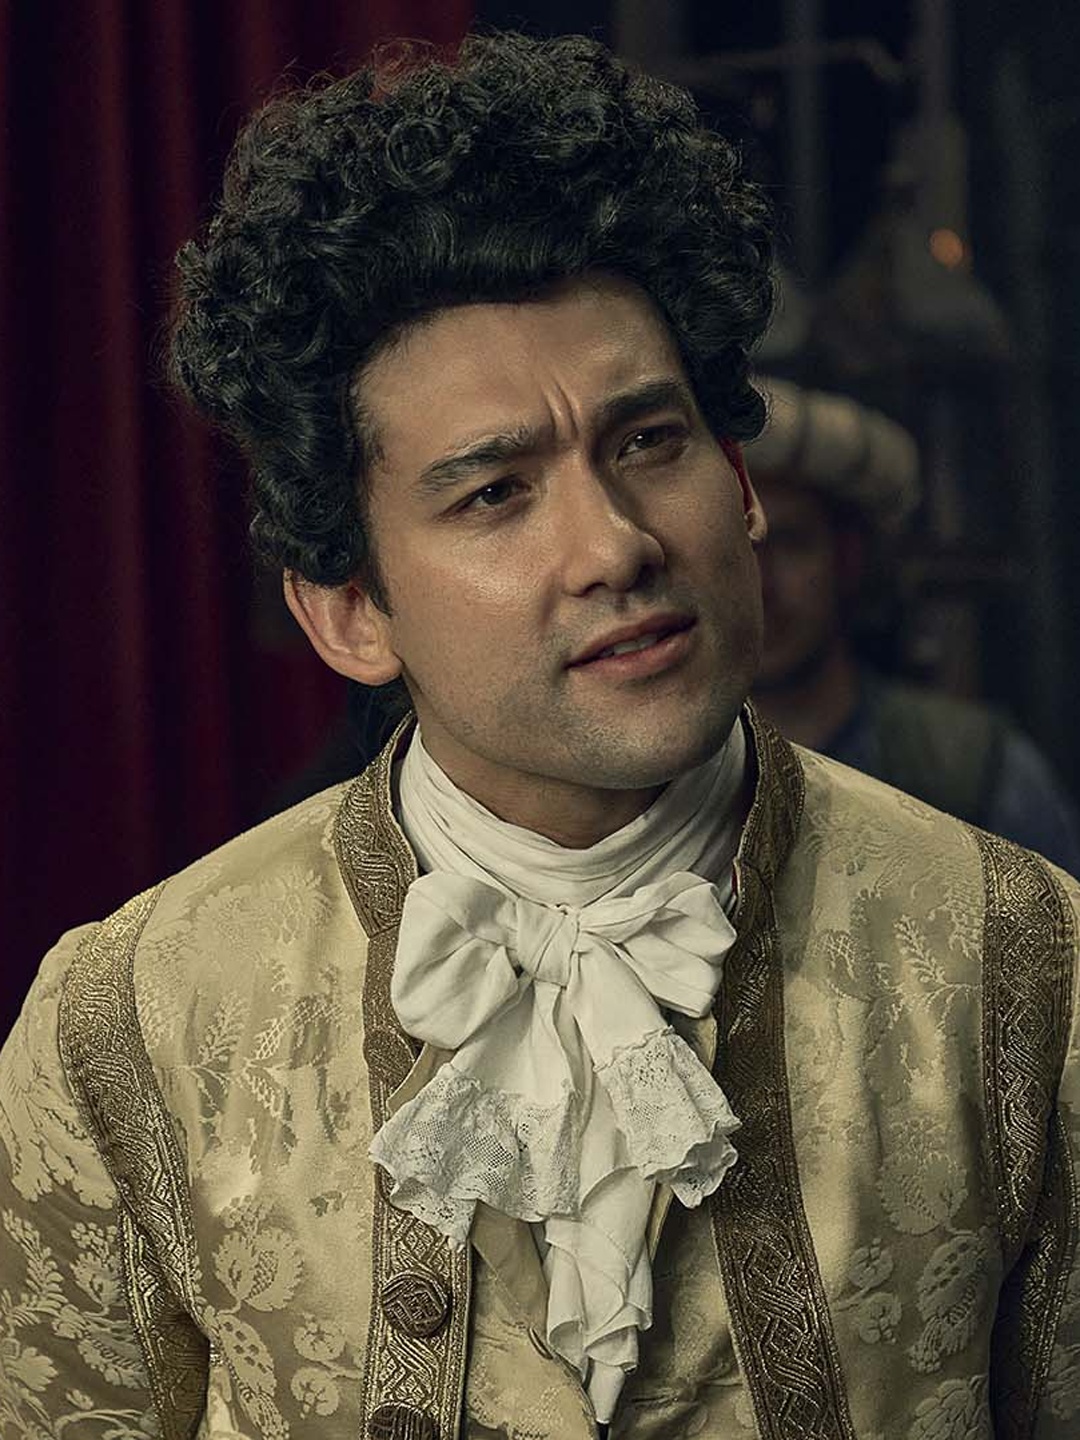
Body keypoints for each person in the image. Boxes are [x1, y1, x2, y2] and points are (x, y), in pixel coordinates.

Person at [1, 31, 1078, 1440]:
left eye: (648, 444)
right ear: (350, 613)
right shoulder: (126, 1022)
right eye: (495, 493)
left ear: (742, 480)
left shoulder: (1026, 961)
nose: (616, 545)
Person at [749, 376, 1080, 874]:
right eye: (739, 549)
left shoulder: (975, 771)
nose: (762, 585)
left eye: (792, 543)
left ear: (848, 559)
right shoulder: (668, 783)